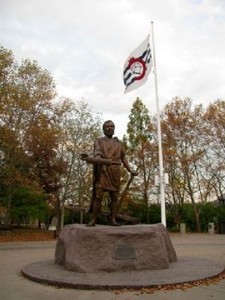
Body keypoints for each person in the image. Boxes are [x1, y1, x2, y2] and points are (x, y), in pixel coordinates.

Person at [83, 120, 138, 226]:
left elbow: (123, 157)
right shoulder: (98, 141)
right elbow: (97, 153)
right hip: (103, 171)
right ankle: (94, 219)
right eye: (107, 126)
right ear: (103, 129)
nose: (110, 128)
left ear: (114, 128)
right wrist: (99, 159)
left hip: (115, 172)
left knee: (114, 197)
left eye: (112, 126)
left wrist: (130, 170)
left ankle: (113, 219)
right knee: (98, 196)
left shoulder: (118, 143)